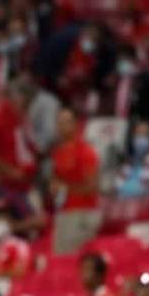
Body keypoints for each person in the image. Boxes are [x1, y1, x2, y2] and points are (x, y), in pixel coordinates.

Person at [50, 108, 103, 255]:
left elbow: (93, 186)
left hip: (82, 212)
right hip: (63, 212)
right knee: (60, 257)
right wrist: (54, 187)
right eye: (59, 122)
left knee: (73, 258)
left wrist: (65, 188)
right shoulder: (58, 153)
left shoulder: (86, 152)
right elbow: (56, 179)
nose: (62, 126)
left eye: (66, 122)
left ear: (75, 124)